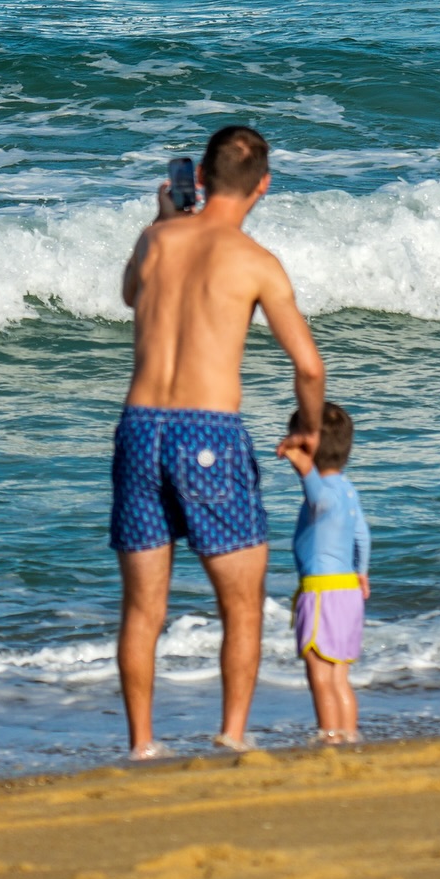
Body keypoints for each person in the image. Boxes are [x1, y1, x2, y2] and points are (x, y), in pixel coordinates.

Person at [112, 125, 325, 758]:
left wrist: (160, 218)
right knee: (241, 605)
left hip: (140, 428)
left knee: (142, 610)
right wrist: (307, 427)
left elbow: (130, 295)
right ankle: (231, 734)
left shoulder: (156, 240)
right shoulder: (255, 260)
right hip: (208, 431)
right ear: (263, 184)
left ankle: (143, 745)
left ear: (197, 180)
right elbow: (308, 367)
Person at [278, 401, 371, 744]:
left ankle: (330, 735)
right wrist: (361, 572)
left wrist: (302, 465)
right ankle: (349, 734)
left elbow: (318, 499)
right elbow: (362, 534)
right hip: (348, 588)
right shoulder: (348, 489)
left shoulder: (325, 491)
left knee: (319, 672)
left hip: (322, 592)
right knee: (339, 676)